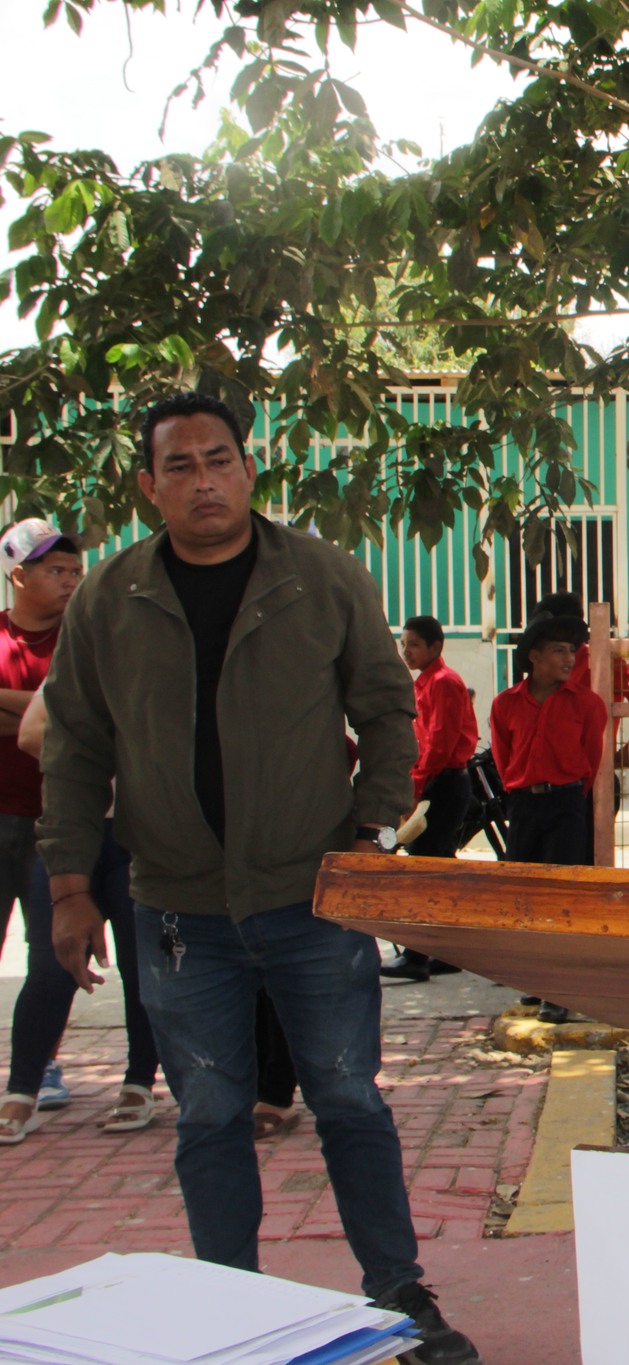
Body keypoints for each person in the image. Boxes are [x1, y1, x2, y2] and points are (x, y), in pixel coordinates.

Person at [38, 392, 481, 1364]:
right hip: (176, 908)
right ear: (149, 485)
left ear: (248, 469)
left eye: (220, 460)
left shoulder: (320, 577)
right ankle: (228, 1307)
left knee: (349, 1098)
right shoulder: (110, 599)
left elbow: (386, 708)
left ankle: (398, 1290)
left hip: (312, 898)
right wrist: (69, 887)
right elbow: (72, 743)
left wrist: (372, 829)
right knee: (208, 1115)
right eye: (181, 465)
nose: (204, 480)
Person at [1, 523, 162, 1144]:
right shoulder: (76, 663)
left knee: (145, 969)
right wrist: (116, 743)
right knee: (51, 963)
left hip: (138, 836)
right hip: (68, 835)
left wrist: (87, 739)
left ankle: (139, 1082)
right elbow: (33, 734)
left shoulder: (157, 668)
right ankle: (22, 1088)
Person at [490, 612, 607, 1028]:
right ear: (534, 657)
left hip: (567, 805)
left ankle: (559, 991)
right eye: (559, 650)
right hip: (524, 806)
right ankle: (536, 979)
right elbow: (503, 758)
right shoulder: (505, 704)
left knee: (562, 898)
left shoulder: (587, 704)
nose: (568, 658)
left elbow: (591, 758)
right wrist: (521, 791)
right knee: (526, 895)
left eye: (572, 650)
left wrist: (569, 794)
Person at [0, 520, 77, 1118]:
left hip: (59, 820)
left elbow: (80, 712)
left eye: (75, 571)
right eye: (55, 570)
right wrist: (47, 710)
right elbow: (54, 716)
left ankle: (41, 1063)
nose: (70, 581)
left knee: (52, 954)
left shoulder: (82, 639)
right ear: (18, 575)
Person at [381, 614, 479, 983]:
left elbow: (439, 744)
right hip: (434, 780)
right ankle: (446, 952)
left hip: (443, 783)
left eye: (414, 644)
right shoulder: (425, 682)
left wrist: (416, 788)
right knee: (437, 869)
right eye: (403, 644)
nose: (406, 651)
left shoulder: (444, 682)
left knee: (426, 871)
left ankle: (417, 955)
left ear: (436, 647)